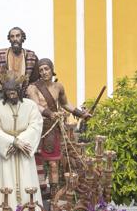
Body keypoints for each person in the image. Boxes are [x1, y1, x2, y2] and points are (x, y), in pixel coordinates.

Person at [26, 58, 90, 196]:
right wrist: (50, 113)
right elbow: (35, 105)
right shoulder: (33, 88)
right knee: (37, 164)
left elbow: (66, 103)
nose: (44, 72)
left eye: (46, 69)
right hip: (37, 128)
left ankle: (54, 194)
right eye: (41, 70)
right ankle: (37, 194)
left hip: (53, 129)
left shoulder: (58, 87)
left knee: (53, 164)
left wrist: (81, 114)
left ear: (51, 69)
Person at [0, 73, 43, 211]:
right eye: (9, 93)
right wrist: (12, 141)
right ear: (4, 93)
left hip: (24, 150)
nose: (12, 96)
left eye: (14, 92)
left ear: (19, 91)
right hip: (7, 151)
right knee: (6, 181)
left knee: (26, 179)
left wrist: (21, 141)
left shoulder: (30, 106)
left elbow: (36, 125)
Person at [0, 27, 39, 93]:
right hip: (3, 95)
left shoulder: (31, 57)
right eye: (12, 36)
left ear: (22, 38)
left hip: (25, 96)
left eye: (17, 36)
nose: (15, 39)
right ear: (9, 39)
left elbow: (36, 80)